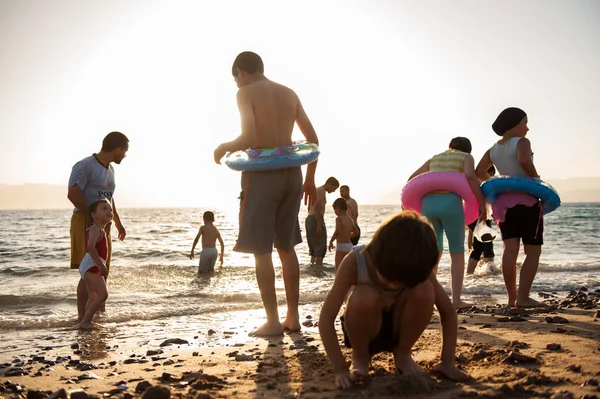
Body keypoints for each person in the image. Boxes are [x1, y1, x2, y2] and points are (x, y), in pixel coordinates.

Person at [213, 51, 319, 336]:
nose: (236, 82)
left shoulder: (245, 91)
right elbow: (313, 141)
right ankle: (293, 317)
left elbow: (248, 137)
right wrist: (310, 180)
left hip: (261, 177)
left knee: (261, 251)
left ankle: (272, 321)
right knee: (286, 248)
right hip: (292, 176)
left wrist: (223, 147)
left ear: (240, 72)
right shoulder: (289, 92)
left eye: (234, 77)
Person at [319, 211, 470, 390]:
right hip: (363, 328)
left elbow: (448, 312)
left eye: (399, 283)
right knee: (364, 295)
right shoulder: (355, 261)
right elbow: (326, 319)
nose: (392, 285)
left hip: (401, 327)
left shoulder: (415, 263)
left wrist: (448, 362)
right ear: (376, 253)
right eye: (388, 278)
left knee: (424, 289)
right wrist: (340, 369)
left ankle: (403, 354)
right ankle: (360, 358)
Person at [475, 107, 544, 308]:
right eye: (525, 122)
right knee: (532, 252)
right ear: (514, 124)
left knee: (509, 250)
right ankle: (524, 298)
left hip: (503, 206)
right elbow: (523, 160)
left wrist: (498, 181)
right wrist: (536, 179)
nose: (527, 128)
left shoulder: (493, 149)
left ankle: (511, 298)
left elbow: (480, 171)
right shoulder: (522, 142)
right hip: (527, 201)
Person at [408, 137, 486, 309]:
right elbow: (472, 178)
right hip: (451, 204)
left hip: (428, 206)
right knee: (457, 251)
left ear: (450, 147)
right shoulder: (466, 157)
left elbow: (412, 179)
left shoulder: (435, 158)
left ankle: (426, 300)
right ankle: (456, 301)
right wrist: (481, 203)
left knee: (434, 252)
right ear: (467, 149)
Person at [67, 131, 129, 321]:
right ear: (117, 149)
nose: (125, 156)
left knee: (102, 270)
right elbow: (73, 193)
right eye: (124, 151)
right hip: (85, 220)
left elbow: (109, 198)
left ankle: (97, 316)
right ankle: (81, 318)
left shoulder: (111, 170)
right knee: (88, 272)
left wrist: (117, 222)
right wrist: (93, 216)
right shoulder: (85, 165)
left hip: (103, 223)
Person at [78, 199, 112, 329]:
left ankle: (87, 320)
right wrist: (100, 265)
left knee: (93, 296)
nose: (109, 211)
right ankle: (86, 321)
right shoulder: (96, 230)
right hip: (92, 265)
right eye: (104, 208)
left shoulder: (99, 230)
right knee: (103, 294)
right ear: (93, 214)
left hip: (89, 264)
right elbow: (91, 247)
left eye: (110, 209)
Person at [466, 165, 497, 274]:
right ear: (490, 173)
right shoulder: (483, 184)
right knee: (486, 245)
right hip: (480, 215)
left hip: (472, 216)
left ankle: (470, 274)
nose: (493, 176)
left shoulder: (473, 182)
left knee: (478, 247)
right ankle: (490, 274)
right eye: (492, 174)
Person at [306, 177, 339, 267]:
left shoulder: (316, 190)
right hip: (316, 220)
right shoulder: (321, 191)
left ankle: (312, 269)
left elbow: (309, 207)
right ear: (329, 184)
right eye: (334, 188)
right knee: (320, 248)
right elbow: (317, 207)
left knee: (313, 249)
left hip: (310, 218)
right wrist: (319, 224)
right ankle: (318, 271)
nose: (334, 191)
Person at [328, 198, 359, 271]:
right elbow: (356, 232)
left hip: (341, 247)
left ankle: (337, 282)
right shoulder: (350, 219)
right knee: (348, 270)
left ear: (338, 209)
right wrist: (348, 236)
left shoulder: (339, 219)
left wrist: (331, 241)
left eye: (334, 210)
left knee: (338, 270)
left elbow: (338, 231)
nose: (334, 212)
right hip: (350, 246)